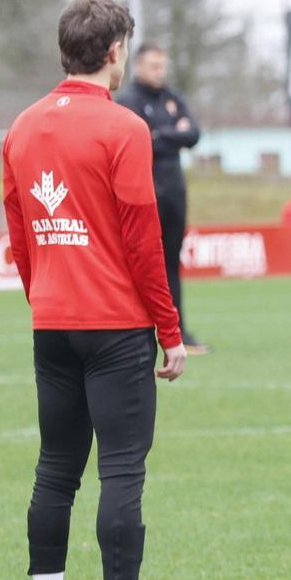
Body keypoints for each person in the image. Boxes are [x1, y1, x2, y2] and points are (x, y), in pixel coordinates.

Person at [1, 0, 190, 580]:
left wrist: (43, 298)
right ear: (115, 52)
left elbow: (20, 236)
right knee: (121, 473)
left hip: (51, 324)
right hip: (115, 327)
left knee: (54, 470)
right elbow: (145, 243)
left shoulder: (20, 128)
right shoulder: (125, 128)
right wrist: (170, 331)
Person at [117, 42, 209, 354]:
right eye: (154, 66)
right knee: (141, 263)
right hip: (145, 193)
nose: (160, 72)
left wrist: (160, 134)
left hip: (174, 192)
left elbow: (193, 134)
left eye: (163, 66)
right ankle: (138, 330)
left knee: (171, 262)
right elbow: (139, 140)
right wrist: (172, 133)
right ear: (139, 66)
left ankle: (177, 330)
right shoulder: (128, 100)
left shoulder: (172, 97)